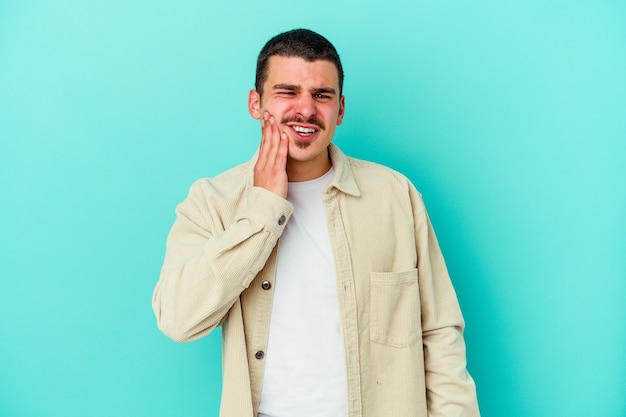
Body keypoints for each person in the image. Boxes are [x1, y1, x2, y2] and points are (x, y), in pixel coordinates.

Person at [152, 28, 480, 417]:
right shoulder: (212, 201)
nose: (305, 110)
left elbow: (439, 333)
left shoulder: (395, 196)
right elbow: (177, 319)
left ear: (339, 109)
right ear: (256, 104)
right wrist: (263, 209)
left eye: (321, 96)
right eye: (287, 92)